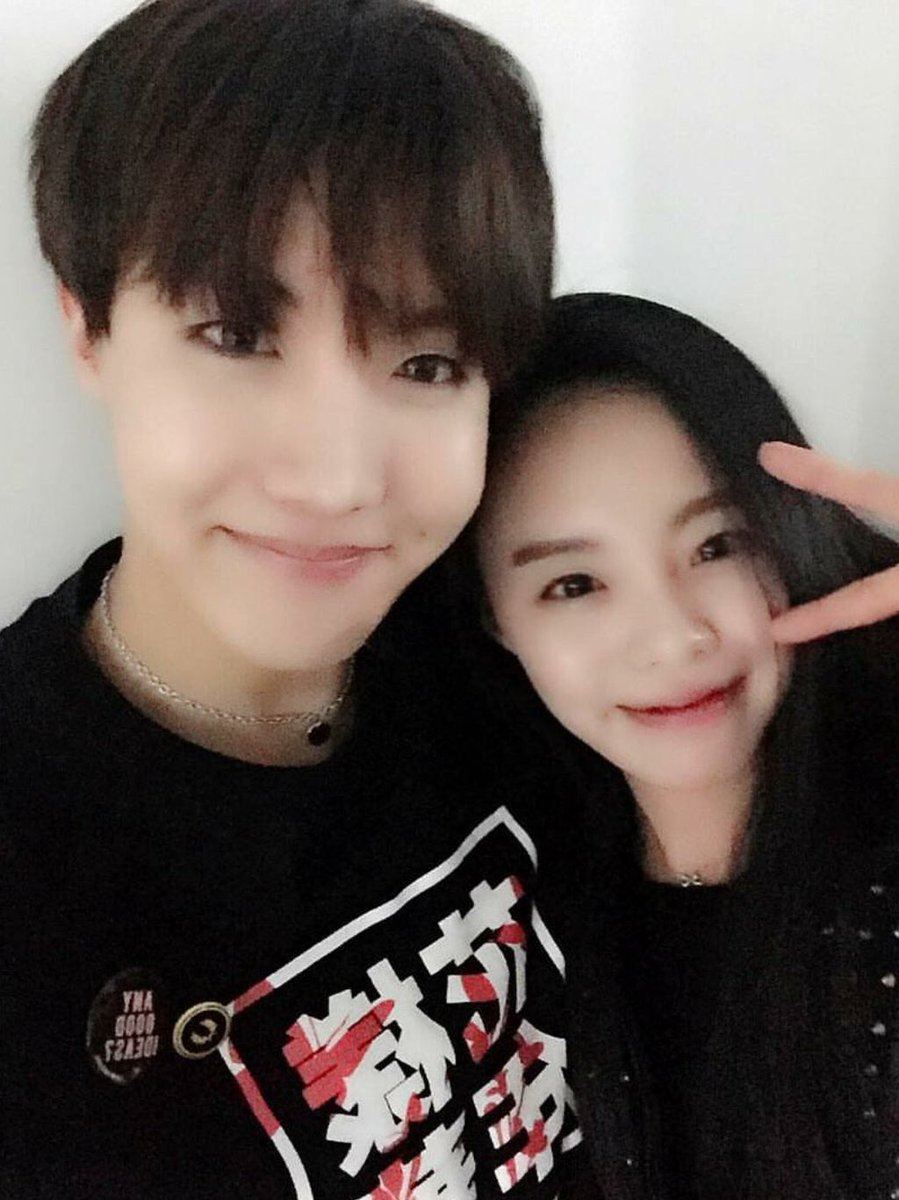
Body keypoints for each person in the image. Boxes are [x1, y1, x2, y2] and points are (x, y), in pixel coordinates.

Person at [0, 3, 587, 1197]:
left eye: (425, 364)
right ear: (88, 330)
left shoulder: (525, 653)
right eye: (234, 335)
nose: (333, 481)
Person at [471, 292, 899, 1199]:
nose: (672, 639)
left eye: (716, 545)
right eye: (574, 583)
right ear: (494, 618)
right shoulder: (504, 898)